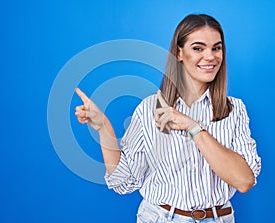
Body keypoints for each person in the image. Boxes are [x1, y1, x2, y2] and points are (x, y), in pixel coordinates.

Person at [75, 14, 261, 223]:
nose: (210, 56)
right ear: (179, 53)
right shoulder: (149, 108)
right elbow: (124, 182)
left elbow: (244, 181)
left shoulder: (234, 110)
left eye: (216, 48)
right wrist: (103, 128)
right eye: (198, 48)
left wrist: (193, 126)